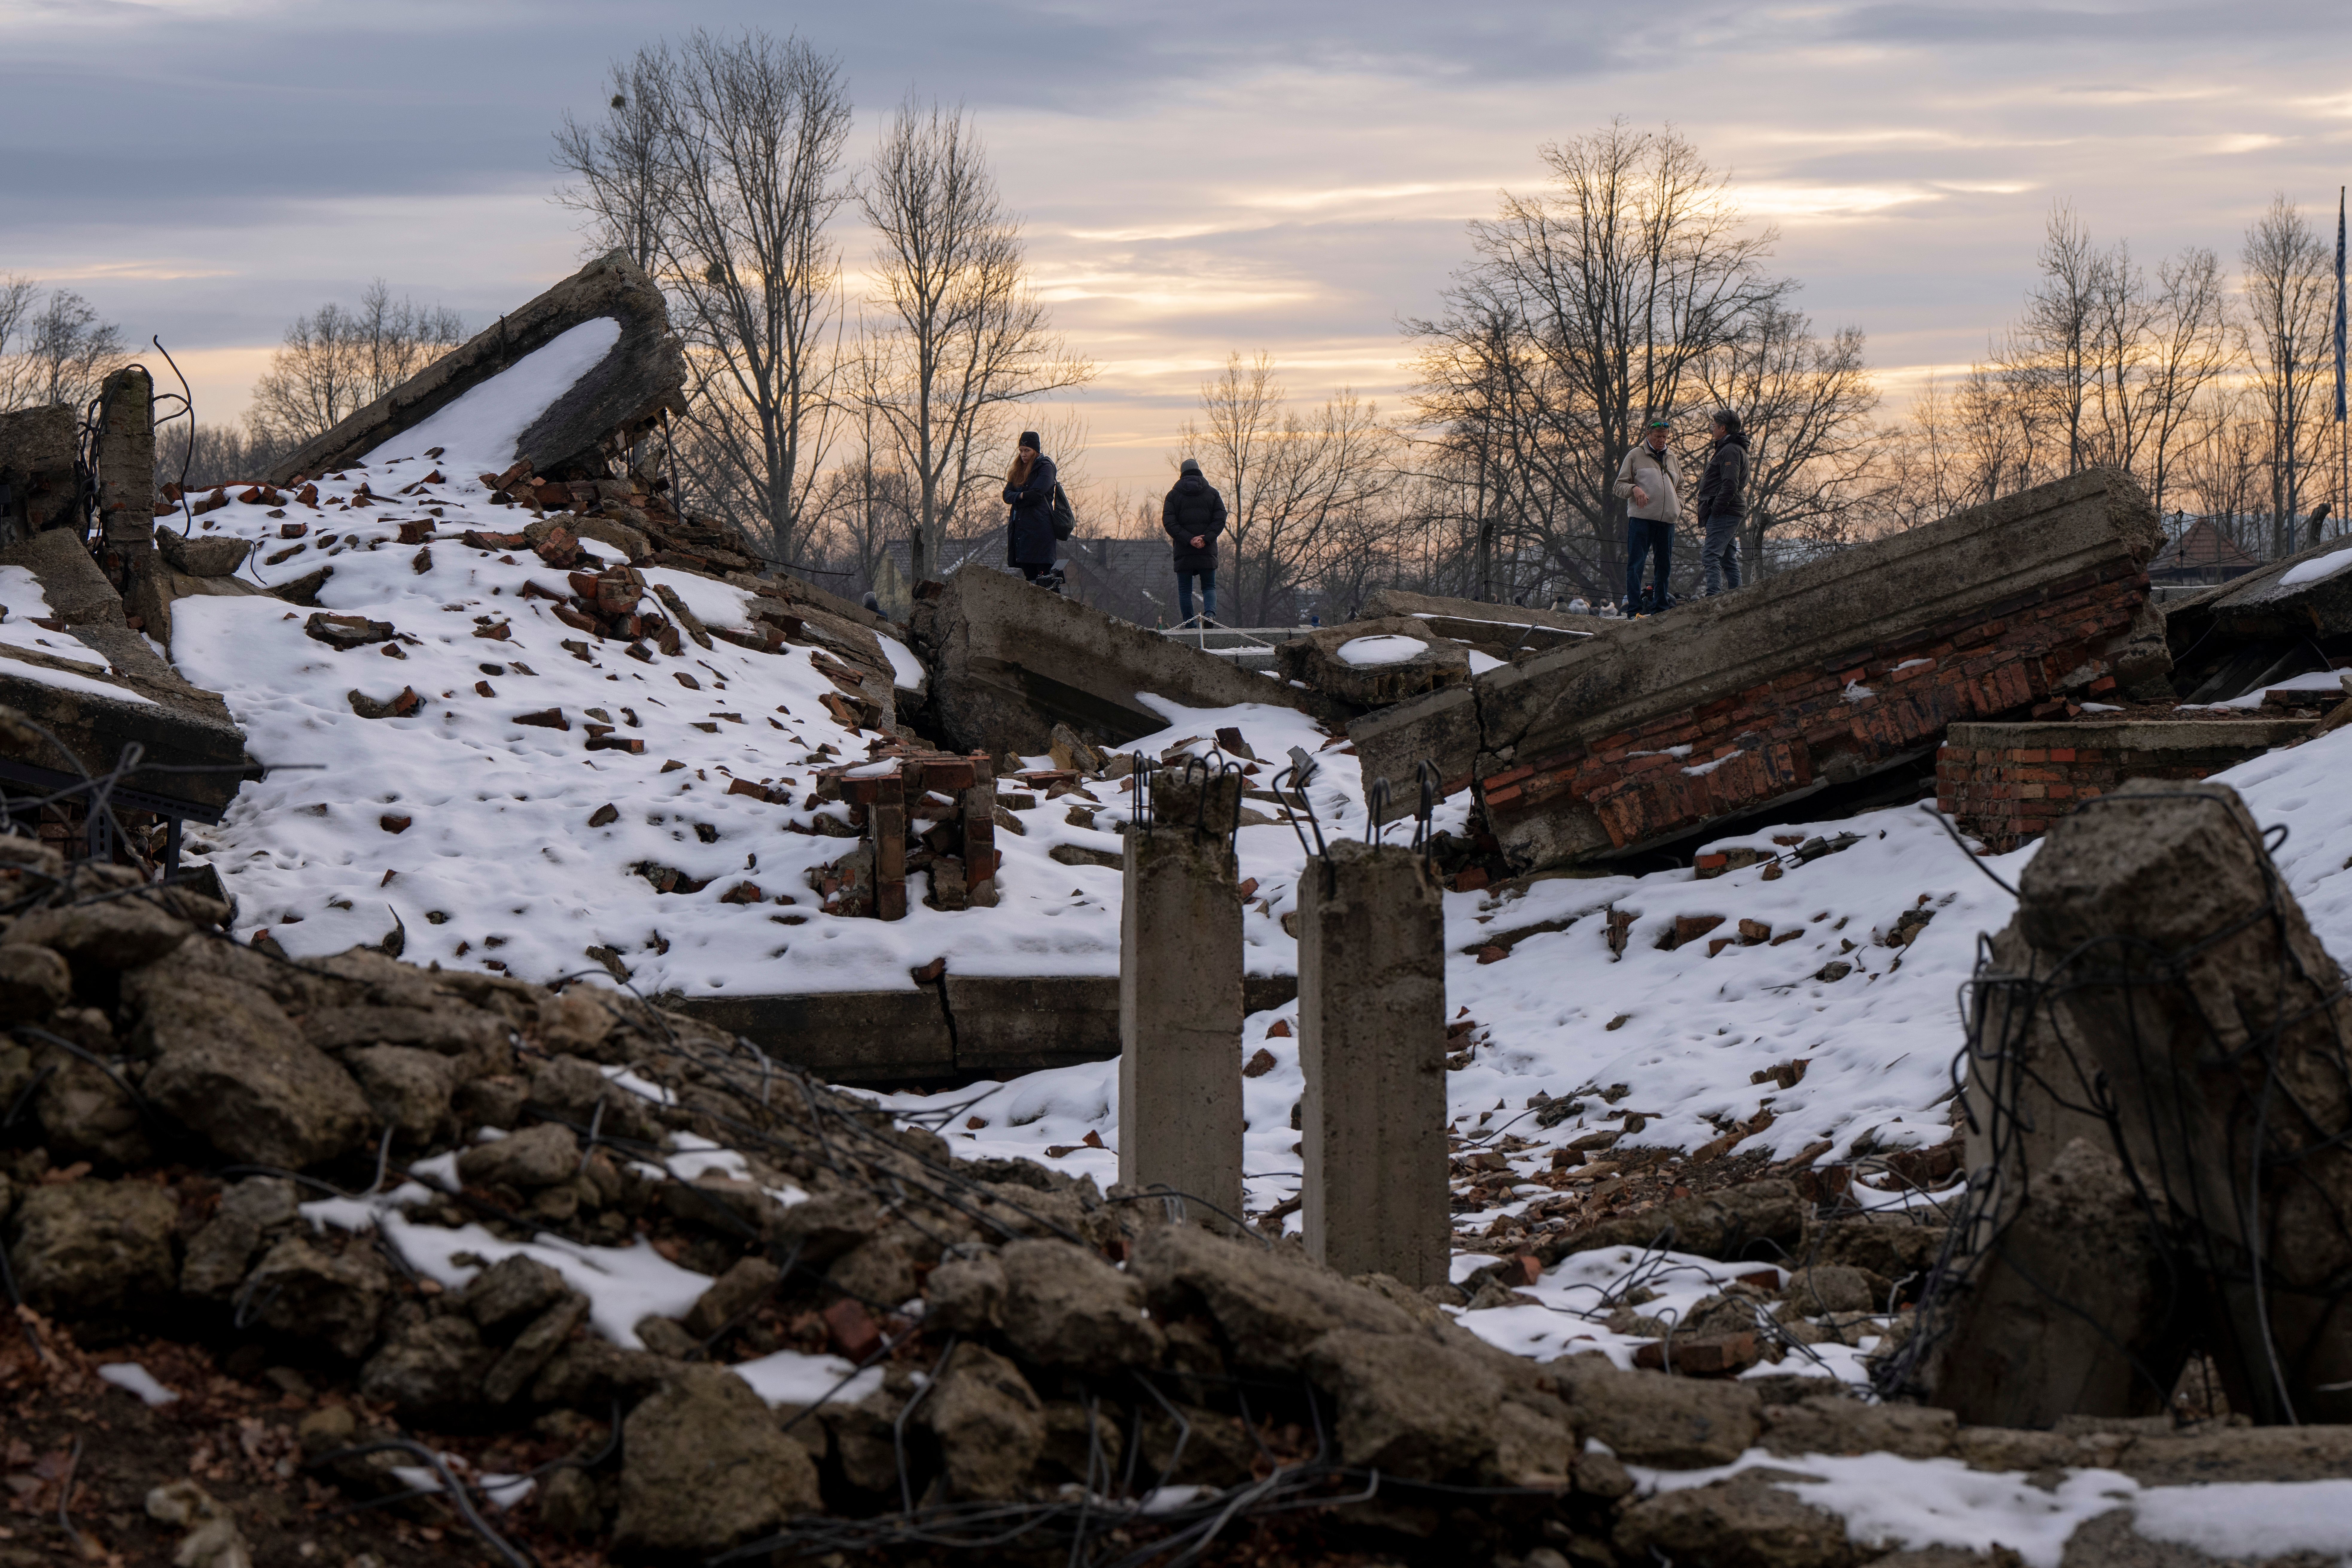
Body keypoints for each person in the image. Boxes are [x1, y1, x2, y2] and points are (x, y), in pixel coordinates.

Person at [1612, 416, 1683, 616]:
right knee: (1636, 565)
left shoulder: (1673, 458)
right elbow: (1619, 485)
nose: (1662, 440)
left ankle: (1661, 608)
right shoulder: (1635, 455)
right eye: (1658, 436)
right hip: (1641, 520)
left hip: (1667, 522)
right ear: (1648, 434)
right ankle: (1634, 610)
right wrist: (1634, 489)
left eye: (1665, 436)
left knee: (1665, 567)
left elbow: (1682, 488)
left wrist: (1678, 506)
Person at [1161, 456, 1226, 625]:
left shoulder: (1173, 495)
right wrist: (1206, 539)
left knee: (1185, 591)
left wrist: (1189, 540)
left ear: (1182, 473)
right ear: (1199, 471)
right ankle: (1210, 615)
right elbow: (1220, 519)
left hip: (1184, 551)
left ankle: (1190, 624)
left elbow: (1169, 522)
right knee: (1209, 587)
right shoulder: (1212, 493)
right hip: (1207, 549)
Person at [1695, 409, 1750, 596]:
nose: (1712, 430)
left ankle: (1713, 598)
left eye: (1714, 426)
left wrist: (1716, 509)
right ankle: (1737, 597)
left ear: (1723, 428)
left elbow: (1730, 484)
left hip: (1725, 512)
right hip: (1728, 511)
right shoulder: (1733, 448)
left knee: (1710, 556)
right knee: (1728, 558)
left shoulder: (1730, 450)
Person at [1003, 432, 1059, 585]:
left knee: (1046, 582)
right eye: (1021, 450)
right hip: (1022, 534)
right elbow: (1006, 495)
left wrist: (1018, 496)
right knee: (1031, 581)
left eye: (1027, 450)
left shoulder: (1046, 467)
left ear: (1036, 450)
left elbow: (1037, 494)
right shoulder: (1018, 470)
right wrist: (1022, 496)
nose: (1023, 455)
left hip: (1040, 532)